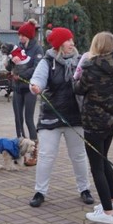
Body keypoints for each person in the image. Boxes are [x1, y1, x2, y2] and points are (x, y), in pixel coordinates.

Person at [28, 27, 94, 208]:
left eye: (72, 40)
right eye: (68, 40)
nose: (72, 43)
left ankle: (84, 189)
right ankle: (40, 192)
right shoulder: (47, 62)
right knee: (46, 156)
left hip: (75, 116)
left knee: (79, 155)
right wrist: (35, 86)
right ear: (58, 44)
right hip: (51, 116)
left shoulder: (81, 61)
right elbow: (37, 79)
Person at [73, 32, 113, 224]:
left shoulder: (91, 67)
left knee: (97, 167)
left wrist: (74, 78)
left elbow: (79, 88)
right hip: (111, 118)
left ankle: (108, 212)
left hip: (94, 121)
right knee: (104, 160)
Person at [7, 19, 44, 166]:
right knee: (18, 120)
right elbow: (10, 63)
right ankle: (19, 151)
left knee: (28, 119)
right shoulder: (19, 47)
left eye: (23, 35)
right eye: (19, 35)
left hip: (29, 88)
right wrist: (10, 62)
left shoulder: (37, 49)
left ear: (30, 35)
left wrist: (21, 75)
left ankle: (34, 153)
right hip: (17, 88)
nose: (20, 38)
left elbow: (37, 68)